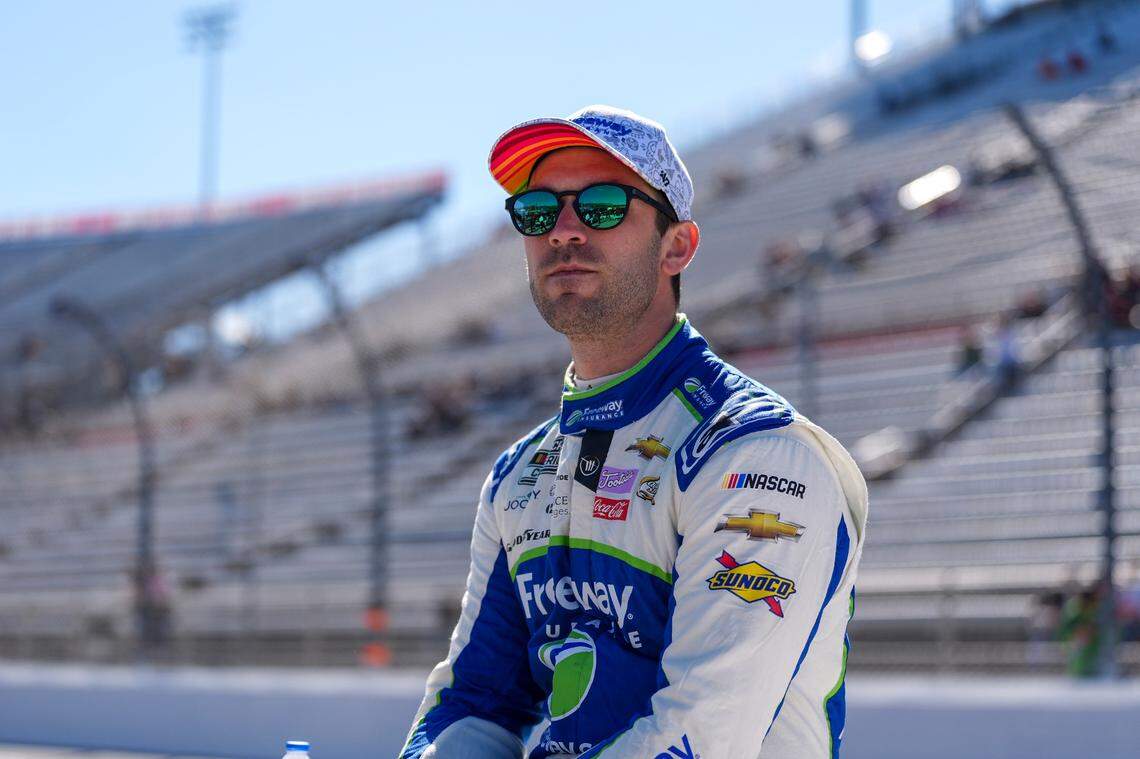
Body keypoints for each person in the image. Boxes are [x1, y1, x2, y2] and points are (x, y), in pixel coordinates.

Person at [400, 105, 869, 759]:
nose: (562, 229)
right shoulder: (518, 474)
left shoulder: (759, 452)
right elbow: (474, 703)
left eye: (600, 205)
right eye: (536, 211)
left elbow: (702, 738)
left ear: (676, 245)